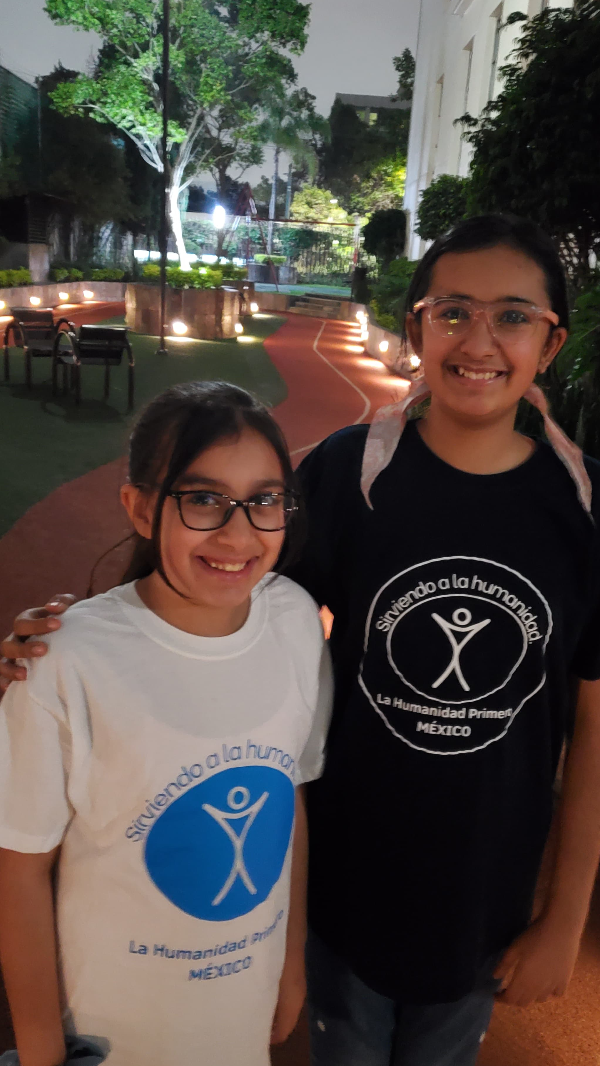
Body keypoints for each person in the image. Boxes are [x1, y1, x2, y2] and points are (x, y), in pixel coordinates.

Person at [4, 214, 600, 1066]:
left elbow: (594, 726)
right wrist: (73, 648)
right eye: (452, 310)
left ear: (551, 343)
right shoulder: (349, 472)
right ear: (416, 328)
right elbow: (227, 595)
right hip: (343, 887)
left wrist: (564, 917)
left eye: (513, 315)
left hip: (483, 900)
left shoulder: (582, 510)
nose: (480, 339)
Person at [0, 381, 332, 1066]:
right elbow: (20, 871)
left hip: (240, 1010)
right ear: (141, 508)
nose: (239, 534)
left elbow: (288, 800)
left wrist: (291, 962)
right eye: (204, 499)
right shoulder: (65, 660)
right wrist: (39, 1046)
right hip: (114, 1027)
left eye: (265, 499)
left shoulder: (297, 620)